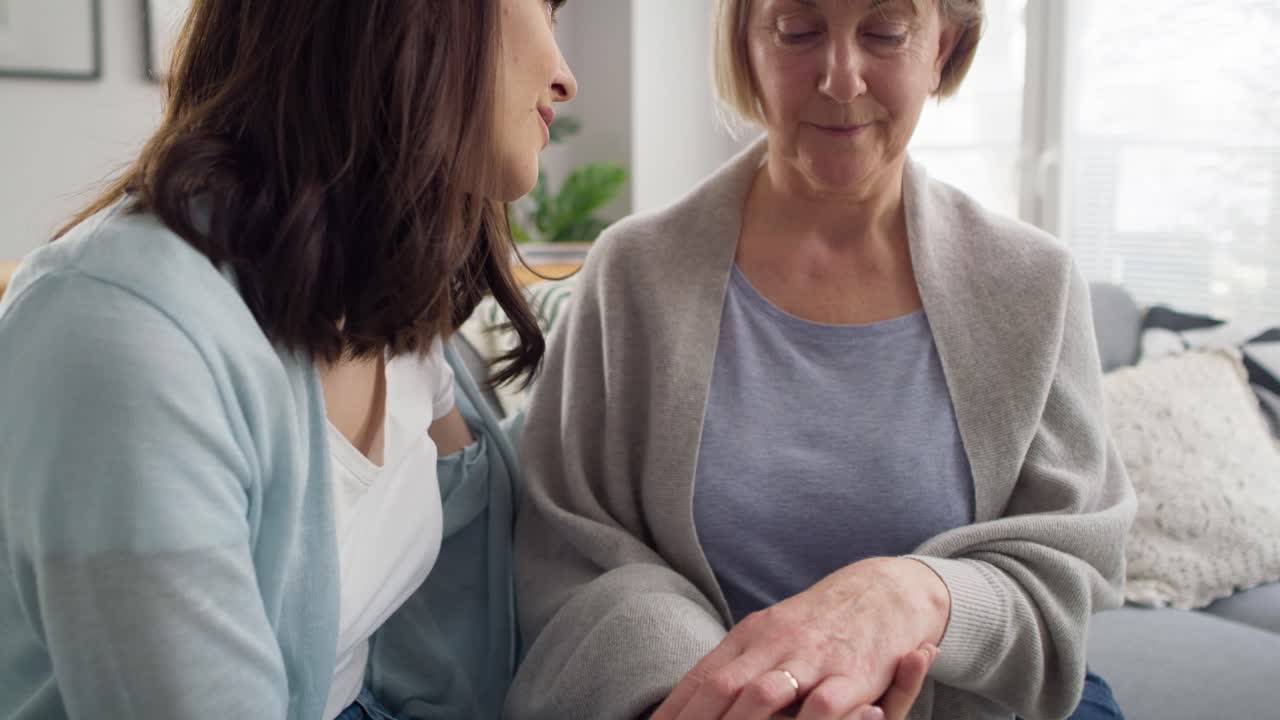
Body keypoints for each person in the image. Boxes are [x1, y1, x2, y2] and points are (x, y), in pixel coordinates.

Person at [506, 0, 1136, 719]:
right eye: (798, 30)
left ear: (944, 47)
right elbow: (570, 549)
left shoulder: (1036, 284)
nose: (840, 78)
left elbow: (1071, 570)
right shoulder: (633, 274)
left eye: (886, 32)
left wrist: (912, 597)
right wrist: (733, 695)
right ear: (744, 44)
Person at [0, 1, 576, 718]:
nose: (565, 78)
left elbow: (491, 562)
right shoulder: (122, 330)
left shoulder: (391, 305)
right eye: (545, 9)